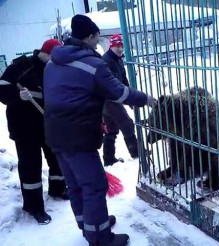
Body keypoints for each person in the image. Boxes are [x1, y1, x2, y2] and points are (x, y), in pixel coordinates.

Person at [43, 14, 156, 246]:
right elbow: (119, 93)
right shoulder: (92, 64)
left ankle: (89, 227)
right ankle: (101, 238)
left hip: (55, 134)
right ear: (91, 36)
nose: (98, 43)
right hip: (79, 136)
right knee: (94, 186)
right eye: (97, 38)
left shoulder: (53, 63)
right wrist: (147, 99)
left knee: (75, 185)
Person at [0, 39, 68, 225]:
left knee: (56, 158)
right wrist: (17, 96)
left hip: (48, 124)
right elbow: (2, 90)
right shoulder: (21, 66)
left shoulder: (55, 69)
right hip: (24, 128)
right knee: (31, 166)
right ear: (46, 53)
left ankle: (58, 188)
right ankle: (34, 207)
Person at [101, 34, 139, 166]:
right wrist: (128, 99)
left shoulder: (118, 59)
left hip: (112, 99)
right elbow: (113, 85)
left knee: (111, 129)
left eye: (121, 46)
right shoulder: (107, 61)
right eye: (116, 46)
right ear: (111, 46)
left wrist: (131, 98)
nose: (119, 49)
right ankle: (137, 154)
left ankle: (108, 158)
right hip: (109, 100)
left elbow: (123, 80)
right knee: (127, 125)